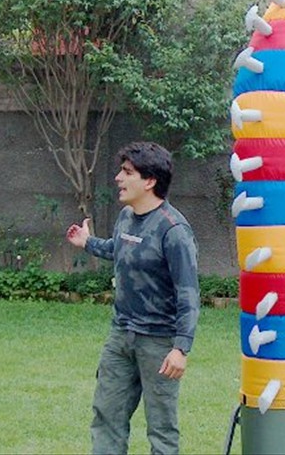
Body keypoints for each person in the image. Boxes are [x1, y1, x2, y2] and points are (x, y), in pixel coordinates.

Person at [66, 141, 200, 455]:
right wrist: (88, 242)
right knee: (106, 415)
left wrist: (181, 348)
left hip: (159, 342)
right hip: (120, 336)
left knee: (161, 429)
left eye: (127, 172)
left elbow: (188, 293)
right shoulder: (126, 216)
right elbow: (120, 248)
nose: (118, 178)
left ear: (149, 181)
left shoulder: (174, 230)